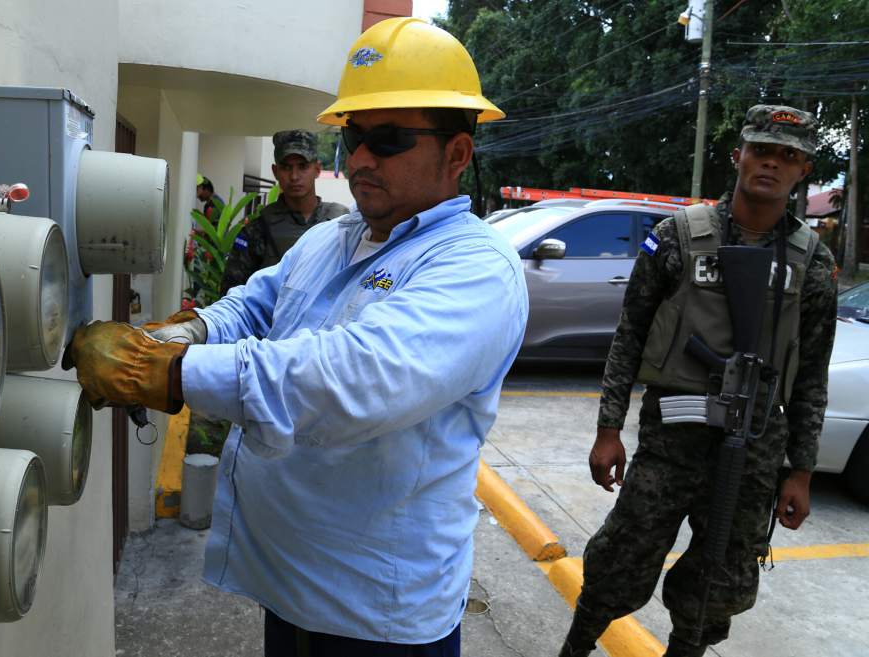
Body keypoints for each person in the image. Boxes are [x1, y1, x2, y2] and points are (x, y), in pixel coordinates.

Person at [63, 17, 524, 657]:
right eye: (353, 138)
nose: (360, 158)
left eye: (387, 140)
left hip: (376, 618)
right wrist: (180, 335)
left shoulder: (477, 269)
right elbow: (253, 307)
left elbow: (349, 380)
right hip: (292, 592)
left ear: (456, 154)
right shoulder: (330, 239)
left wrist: (167, 374)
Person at [558, 105, 837, 657]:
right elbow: (630, 334)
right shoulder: (678, 237)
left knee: (720, 582)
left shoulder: (815, 263)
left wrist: (800, 471)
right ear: (739, 156)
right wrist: (608, 428)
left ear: (803, 170)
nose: (771, 164)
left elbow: (810, 377)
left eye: (789, 156)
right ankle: (574, 648)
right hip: (670, 444)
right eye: (761, 149)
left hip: (754, 450)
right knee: (621, 559)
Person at [220, 129, 349, 293]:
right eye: (286, 167)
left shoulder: (342, 223)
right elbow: (230, 294)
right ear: (275, 171)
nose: (294, 176)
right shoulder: (256, 231)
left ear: (317, 169)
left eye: (302, 166)